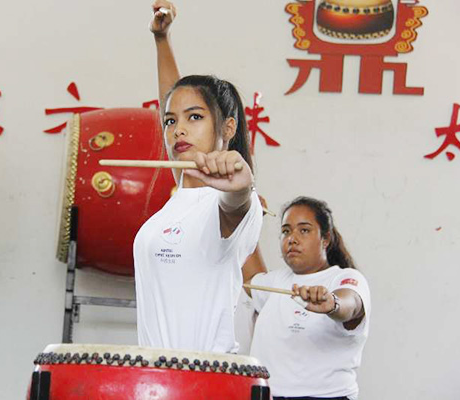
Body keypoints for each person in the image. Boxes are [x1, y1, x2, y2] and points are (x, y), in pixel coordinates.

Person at [132, 1, 264, 353]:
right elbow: (170, 100)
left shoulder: (226, 208)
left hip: (205, 380)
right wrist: (162, 40)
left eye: (195, 118)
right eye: (171, 122)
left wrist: (241, 186)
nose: (178, 130)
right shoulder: (175, 202)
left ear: (227, 128)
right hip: (156, 379)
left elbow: (234, 205)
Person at [246, 197, 371, 400]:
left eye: (304, 230)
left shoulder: (345, 279)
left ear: (326, 238)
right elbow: (250, 279)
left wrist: (333, 304)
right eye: (286, 231)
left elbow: (351, 304)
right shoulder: (278, 280)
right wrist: (248, 222)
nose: (292, 238)